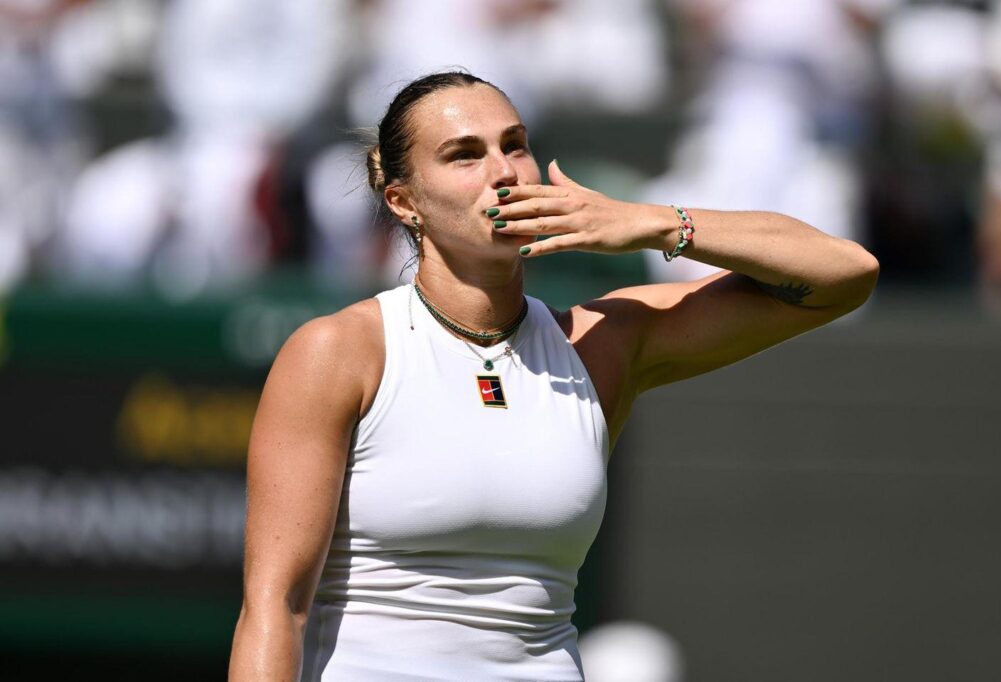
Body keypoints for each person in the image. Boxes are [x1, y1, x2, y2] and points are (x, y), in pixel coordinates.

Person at [227, 71, 879, 681]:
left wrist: (652, 222)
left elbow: (844, 275)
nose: (504, 172)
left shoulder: (600, 344)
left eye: (514, 145)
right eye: (464, 155)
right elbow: (275, 607)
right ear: (404, 201)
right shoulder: (339, 351)